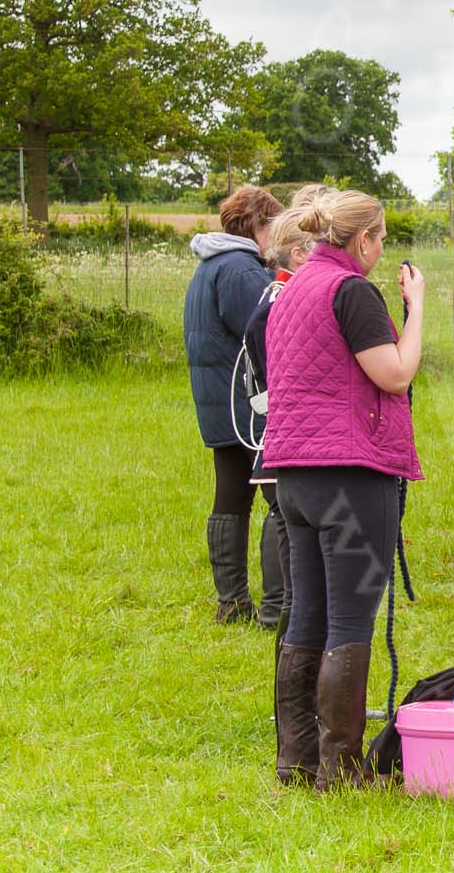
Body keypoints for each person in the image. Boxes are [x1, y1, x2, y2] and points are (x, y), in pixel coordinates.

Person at [262, 189, 425, 789]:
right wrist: (416, 309)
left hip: (293, 477)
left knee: (307, 615)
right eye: (380, 239)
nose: (381, 250)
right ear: (362, 240)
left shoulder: (294, 288)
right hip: (350, 476)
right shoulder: (351, 291)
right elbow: (395, 373)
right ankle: (343, 770)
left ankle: (297, 761)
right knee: (351, 621)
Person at [182, 183, 283, 626]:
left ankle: (233, 602)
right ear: (258, 224)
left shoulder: (210, 265)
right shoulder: (241, 270)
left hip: (218, 398)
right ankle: (277, 607)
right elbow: (266, 332)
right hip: (248, 400)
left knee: (230, 497)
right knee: (281, 500)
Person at [236, 188, 324, 633]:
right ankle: (281, 612)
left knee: (287, 526)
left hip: (286, 437)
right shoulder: (277, 303)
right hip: (289, 438)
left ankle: (285, 614)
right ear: (296, 250)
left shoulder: (278, 298)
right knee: (287, 525)